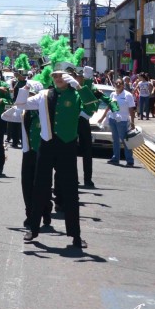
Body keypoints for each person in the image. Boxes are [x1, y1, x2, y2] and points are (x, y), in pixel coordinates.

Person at [20, 69, 97, 250]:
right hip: (47, 145)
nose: (57, 78)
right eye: (54, 75)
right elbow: (21, 104)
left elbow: (92, 108)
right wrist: (24, 88)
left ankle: (76, 235)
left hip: (67, 146)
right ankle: (33, 228)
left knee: (70, 192)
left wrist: (80, 86)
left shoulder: (76, 94)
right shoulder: (44, 95)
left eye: (61, 75)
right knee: (39, 187)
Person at [1, 80, 49, 229]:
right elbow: (5, 116)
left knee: (42, 186)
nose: (30, 98)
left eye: (33, 95)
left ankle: (46, 212)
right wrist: (19, 102)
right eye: (29, 95)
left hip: (43, 153)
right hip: (28, 152)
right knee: (27, 185)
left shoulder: (46, 109)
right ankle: (30, 215)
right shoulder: (23, 111)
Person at [101, 77, 137, 167]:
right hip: (113, 119)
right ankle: (115, 158)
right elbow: (110, 106)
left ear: (123, 85)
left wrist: (132, 122)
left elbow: (131, 110)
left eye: (119, 83)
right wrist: (102, 117)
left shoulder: (128, 95)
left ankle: (130, 160)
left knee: (125, 140)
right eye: (116, 83)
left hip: (123, 121)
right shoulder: (113, 94)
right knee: (115, 140)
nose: (118, 85)